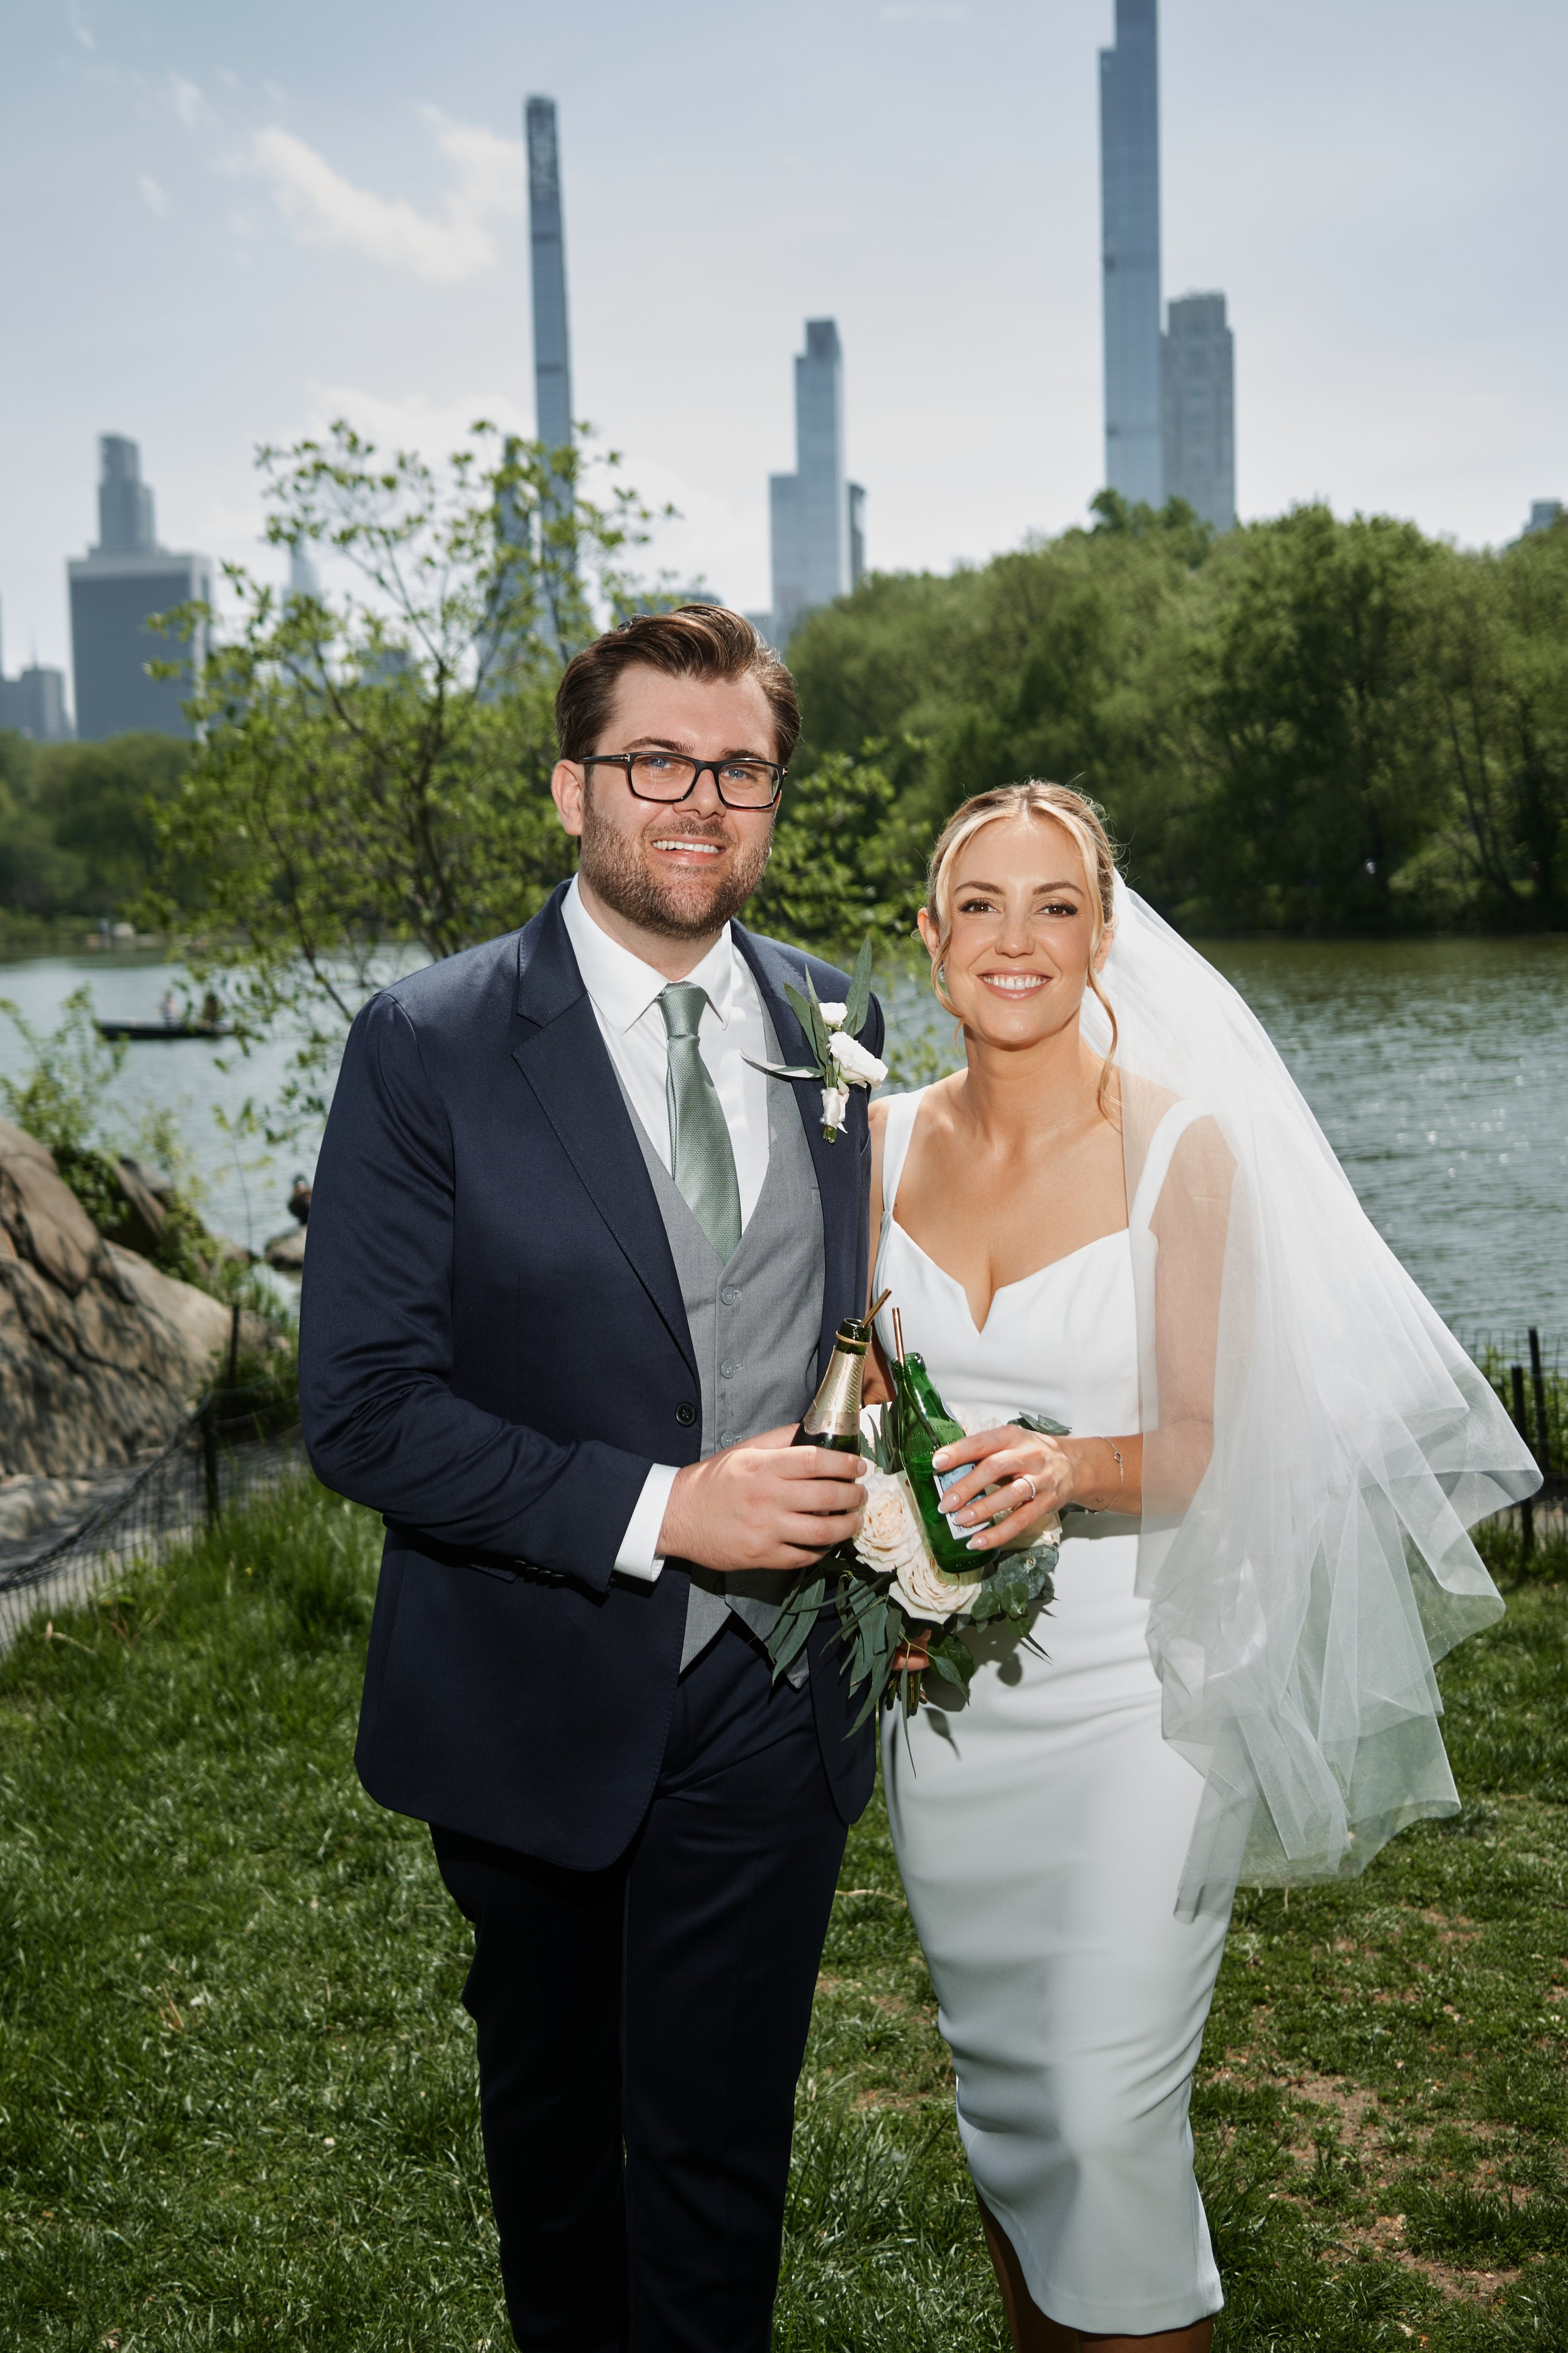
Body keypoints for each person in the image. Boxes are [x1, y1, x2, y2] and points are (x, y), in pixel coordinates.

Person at [864, 781, 1539, 2352]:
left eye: (1051, 907)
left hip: (1132, 1694)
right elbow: (867, 1391)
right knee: (1014, 2116)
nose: (1013, 940)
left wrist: (1062, 1468)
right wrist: (874, 1534)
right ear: (927, 935)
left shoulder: (1181, 1153)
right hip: (946, 1713)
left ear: (1102, 938)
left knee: (1105, 2121)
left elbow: (1205, 1441)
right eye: (979, 905)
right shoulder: (874, 1144)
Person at [299, 607, 882, 2353]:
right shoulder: (429, 1042)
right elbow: (367, 1409)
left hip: (773, 1699)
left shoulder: (841, 1022)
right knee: (560, 2162)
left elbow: (852, 1324)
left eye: (740, 769)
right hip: (533, 1689)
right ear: (573, 789)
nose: (698, 800)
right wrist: (661, 1509)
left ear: (773, 798)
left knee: (721, 2161)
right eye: (656, 762)